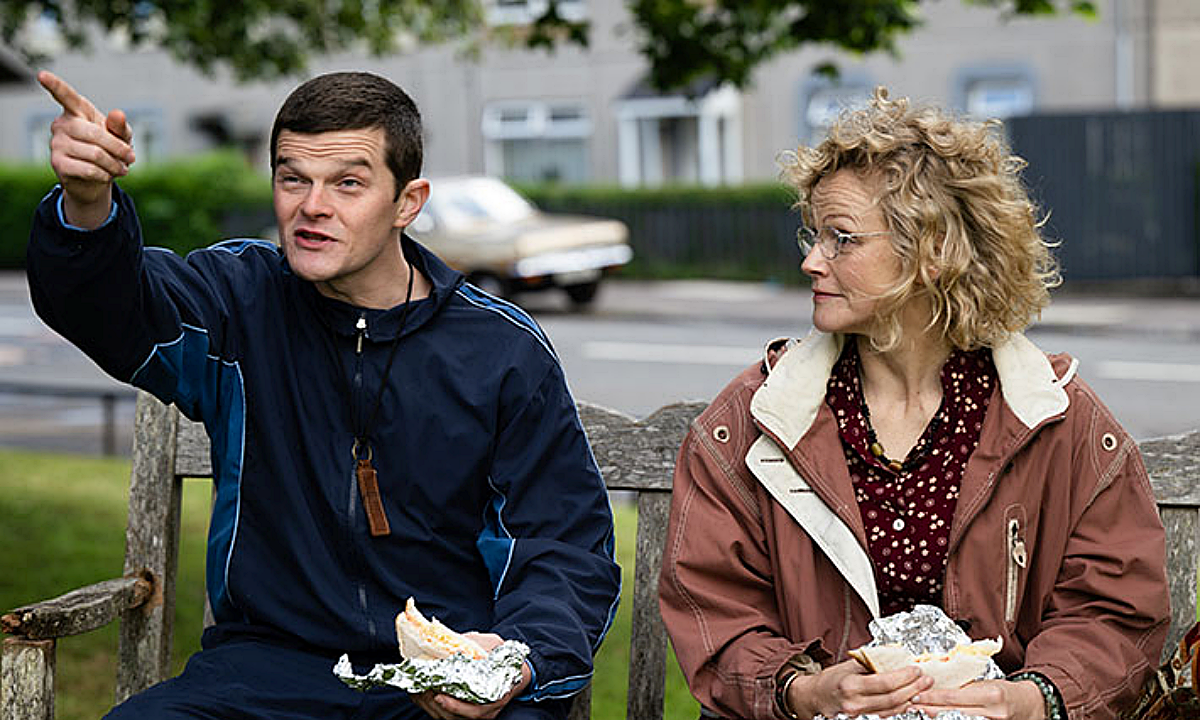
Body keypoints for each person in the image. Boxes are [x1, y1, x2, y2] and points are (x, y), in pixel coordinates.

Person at [27, 70, 621, 720]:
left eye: (348, 183)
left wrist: (517, 657)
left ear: (408, 201)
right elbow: (113, 310)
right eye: (293, 178)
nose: (312, 206)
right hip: (263, 674)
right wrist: (87, 203)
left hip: (438, 678)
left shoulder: (502, 351)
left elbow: (563, 547)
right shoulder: (239, 301)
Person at [658, 88, 1169, 720]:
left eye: (842, 239)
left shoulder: (1060, 422)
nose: (811, 260)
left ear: (932, 252)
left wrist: (1032, 699)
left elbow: (1113, 612)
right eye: (814, 235)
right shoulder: (749, 422)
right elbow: (715, 607)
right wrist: (805, 690)